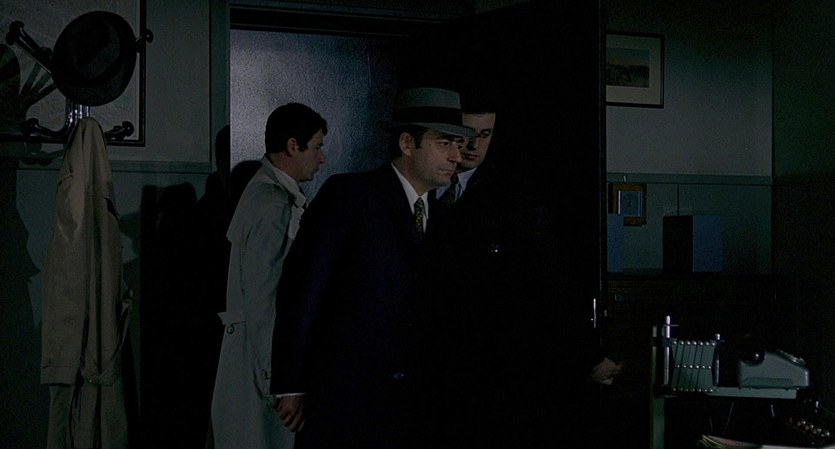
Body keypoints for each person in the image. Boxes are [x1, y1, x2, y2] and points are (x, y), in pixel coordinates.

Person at [269, 87, 476, 449]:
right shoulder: (350, 196)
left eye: (458, 145)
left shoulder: (447, 220)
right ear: (407, 143)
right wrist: (291, 383)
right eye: (444, 143)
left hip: (416, 410)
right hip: (346, 402)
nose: (457, 156)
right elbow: (303, 288)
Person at [428, 88, 617, 449]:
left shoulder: (514, 197)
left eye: (485, 135)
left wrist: (588, 355)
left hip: (495, 365)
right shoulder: (422, 185)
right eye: (466, 135)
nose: (474, 146)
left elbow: (551, 278)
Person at [210, 102, 327, 449]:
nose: (321, 158)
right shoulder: (271, 202)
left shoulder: (268, 194)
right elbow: (263, 295)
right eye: (316, 147)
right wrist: (277, 379)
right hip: (259, 357)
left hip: (255, 353)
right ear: (293, 146)